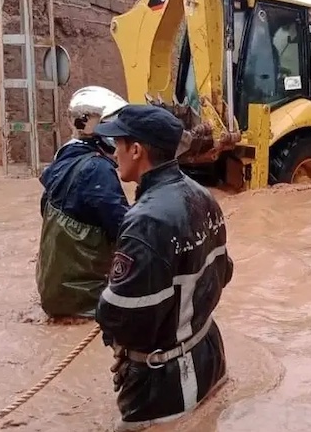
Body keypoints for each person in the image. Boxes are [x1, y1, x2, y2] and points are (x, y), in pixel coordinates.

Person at [94, 105, 234, 431]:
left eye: (117, 144)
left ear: (137, 150)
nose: (114, 153)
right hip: (210, 355)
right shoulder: (205, 197)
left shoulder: (144, 220)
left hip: (165, 384)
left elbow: (122, 315)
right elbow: (225, 272)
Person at [36, 86, 130, 318]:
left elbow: (44, 207)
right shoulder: (97, 170)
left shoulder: (64, 157)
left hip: (54, 291)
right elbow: (125, 230)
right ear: (91, 128)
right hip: (86, 298)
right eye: (111, 127)